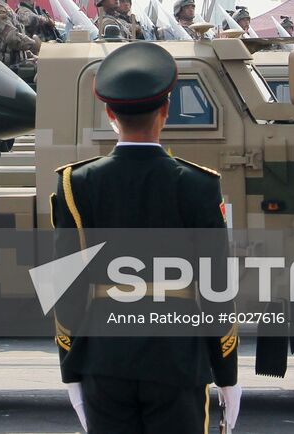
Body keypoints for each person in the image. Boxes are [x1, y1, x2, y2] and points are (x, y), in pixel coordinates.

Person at [51, 42, 241, 433]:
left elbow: (66, 288)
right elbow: (217, 286)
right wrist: (227, 374)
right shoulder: (199, 185)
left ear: (109, 114)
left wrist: (71, 371)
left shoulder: (77, 184)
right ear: (166, 110)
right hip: (178, 361)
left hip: (104, 360)